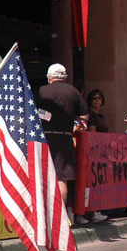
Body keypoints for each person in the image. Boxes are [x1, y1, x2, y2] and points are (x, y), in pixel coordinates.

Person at [36, 63, 87, 225]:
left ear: (50, 77)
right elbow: (84, 117)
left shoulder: (42, 90)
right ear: (64, 77)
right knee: (61, 178)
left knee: (41, 176)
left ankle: (43, 215)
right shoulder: (74, 92)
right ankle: (60, 216)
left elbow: (33, 112)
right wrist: (74, 127)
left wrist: (46, 117)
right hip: (65, 138)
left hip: (44, 138)